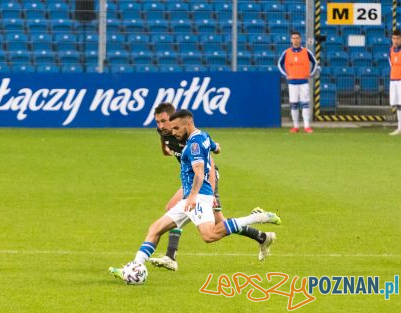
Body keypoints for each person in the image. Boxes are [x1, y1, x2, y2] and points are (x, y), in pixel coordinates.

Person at [109, 110, 278, 281]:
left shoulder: (194, 146)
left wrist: (192, 197)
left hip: (198, 197)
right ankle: (134, 267)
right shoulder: (203, 136)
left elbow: (198, 172)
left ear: (188, 125)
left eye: (176, 128)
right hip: (188, 198)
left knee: (210, 235)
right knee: (155, 228)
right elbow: (217, 147)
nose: (173, 132)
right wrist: (215, 148)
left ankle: (257, 217)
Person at [148, 103, 281, 271]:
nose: (160, 126)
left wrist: (208, 194)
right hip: (192, 181)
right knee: (220, 223)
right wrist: (166, 147)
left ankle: (170, 256)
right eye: (157, 122)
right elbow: (167, 150)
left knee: (206, 223)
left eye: (163, 121)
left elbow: (209, 164)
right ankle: (262, 237)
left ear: (175, 120)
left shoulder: (191, 137)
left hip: (205, 179)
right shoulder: (165, 133)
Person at [278, 31, 318, 133]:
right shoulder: (286, 52)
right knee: (294, 104)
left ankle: (307, 126)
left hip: (304, 82)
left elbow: (315, 62)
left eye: (297, 38)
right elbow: (279, 64)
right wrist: (286, 75)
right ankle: (295, 126)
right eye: (293, 38)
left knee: (305, 103)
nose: (295, 40)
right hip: (292, 82)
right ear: (291, 40)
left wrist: (311, 73)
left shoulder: (306, 51)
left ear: (300, 39)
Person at [388, 29, 401, 135]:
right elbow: (391, 65)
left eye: (397, 38)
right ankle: (399, 127)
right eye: (394, 38)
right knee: (397, 104)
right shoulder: (390, 51)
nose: (395, 40)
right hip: (394, 80)